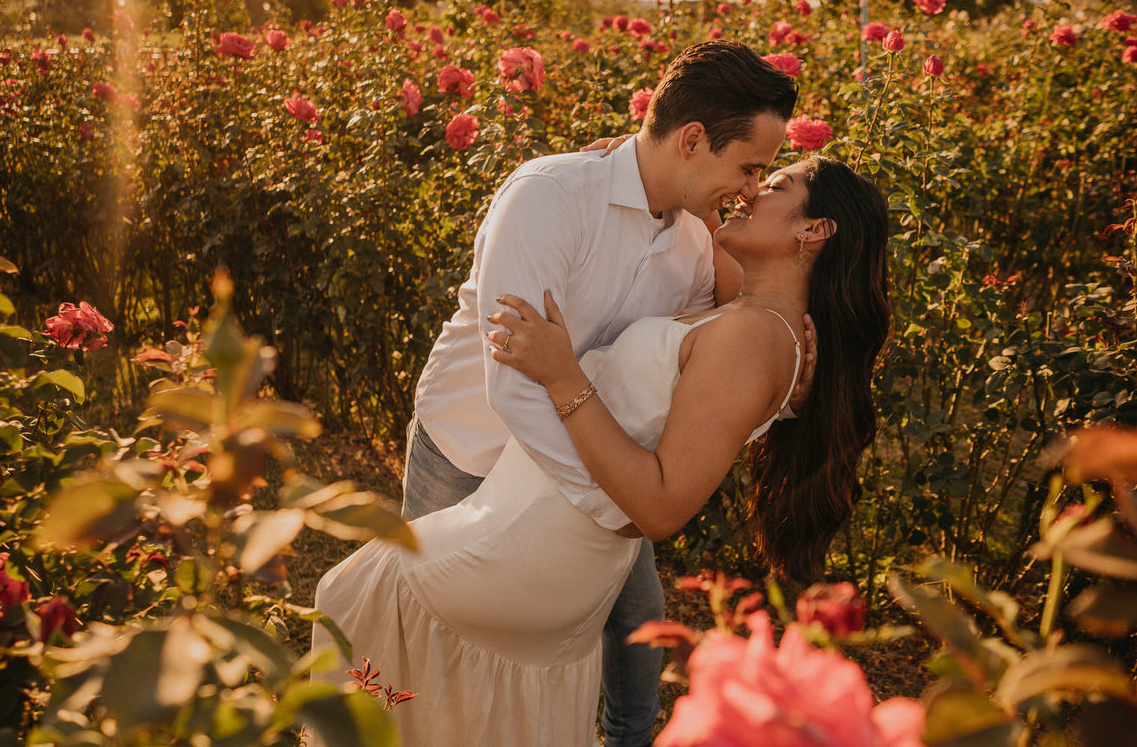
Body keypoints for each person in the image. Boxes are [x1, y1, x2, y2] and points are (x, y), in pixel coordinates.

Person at [311, 156, 892, 746]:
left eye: (772, 186)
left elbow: (662, 509)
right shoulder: (761, 317)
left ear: (814, 229)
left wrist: (563, 376)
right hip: (551, 539)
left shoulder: (758, 334)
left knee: (356, 598)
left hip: (536, 541)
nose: (747, 193)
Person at [396, 39, 803, 747]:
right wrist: (616, 505)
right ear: (693, 139)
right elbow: (513, 389)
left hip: (591, 459)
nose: (748, 189)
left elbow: (716, 343)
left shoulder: (693, 239)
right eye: (748, 168)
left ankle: (629, 738)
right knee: (444, 635)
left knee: (634, 618)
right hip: (470, 450)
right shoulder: (549, 197)